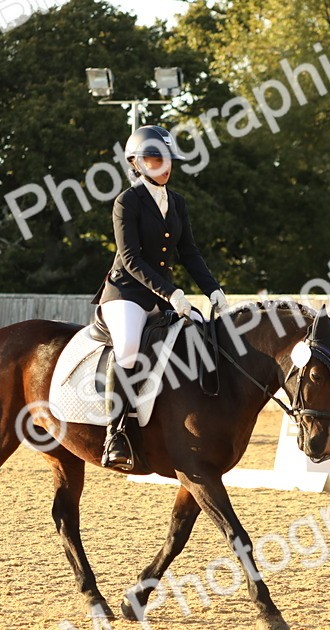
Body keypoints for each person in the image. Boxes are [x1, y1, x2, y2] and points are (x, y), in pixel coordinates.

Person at [90, 125, 229, 471]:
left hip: (164, 296)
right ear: (136, 163)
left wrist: (213, 289)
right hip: (125, 294)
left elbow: (190, 253)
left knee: (202, 334)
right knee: (128, 349)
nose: (164, 166)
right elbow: (132, 259)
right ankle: (114, 433)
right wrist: (172, 292)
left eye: (167, 159)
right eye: (154, 159)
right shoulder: (127, 202)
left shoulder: (177, 202)